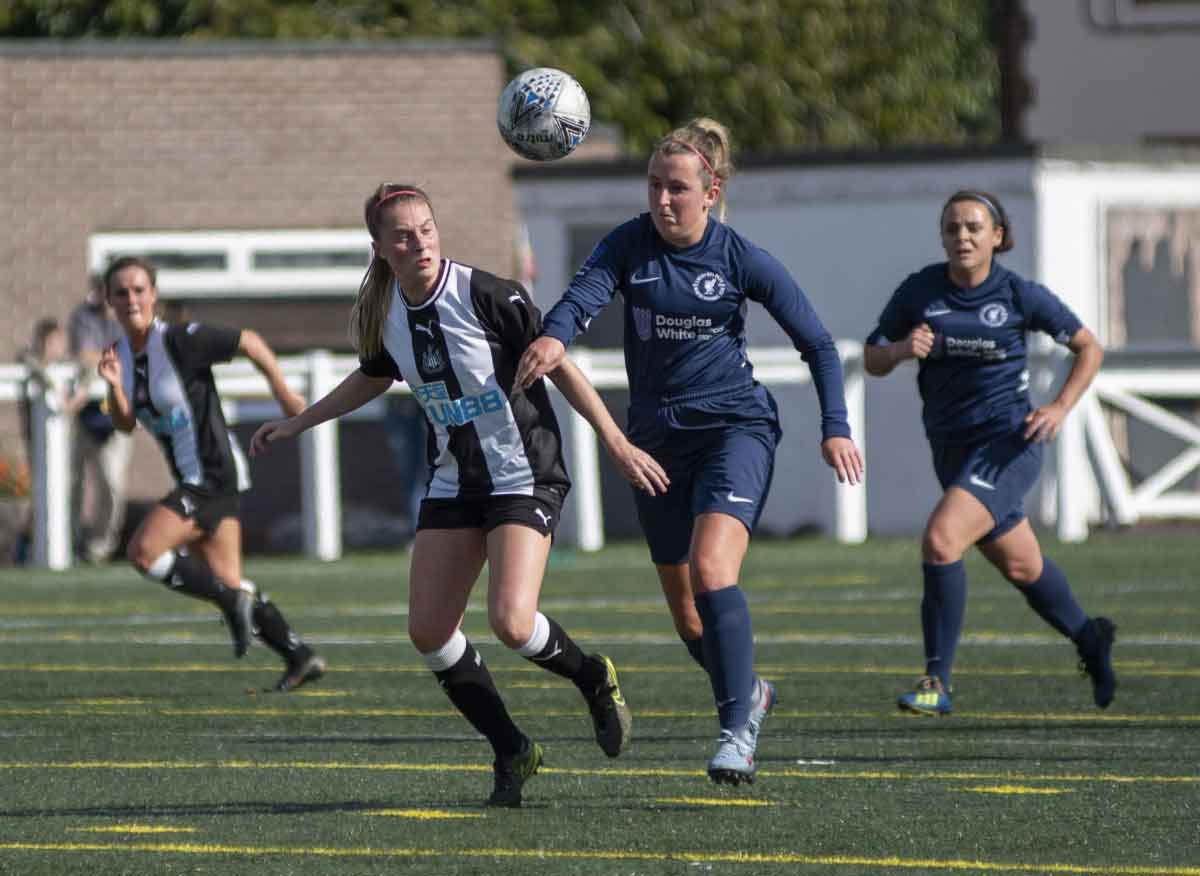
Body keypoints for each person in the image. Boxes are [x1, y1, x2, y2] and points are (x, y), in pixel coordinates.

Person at [250, 183, 668, 808]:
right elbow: (373, 374)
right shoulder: (384, 310)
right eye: (402, 234)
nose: (418, 241)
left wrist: (615, 439)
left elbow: (557, 362)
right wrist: (298, 421)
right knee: (428, 631)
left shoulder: (486, 294)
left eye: (426, 228)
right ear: (380, 248)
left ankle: (592, 676)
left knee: (511, 622)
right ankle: (511, 749)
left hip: (524, 472)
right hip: (454, 480)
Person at [514, 118, 864, 786]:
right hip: (655, 443)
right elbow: (580, 299)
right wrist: (556, 336)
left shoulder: (740, 258)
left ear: (711, 190)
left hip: (735, 429)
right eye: (654, 185)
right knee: (685, 613)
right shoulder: (629, 244)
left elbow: (817, 343)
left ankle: (736, 729)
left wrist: (836, 425)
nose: (663, 200)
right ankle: (749, 690)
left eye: (677, 188)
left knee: (711, 569)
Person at [862, 189, 1116, 716]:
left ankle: (936, 681)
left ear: (997, 237)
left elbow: (1089, 347)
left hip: (1008, 445)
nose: (963, 237)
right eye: (953, 228)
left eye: (974, 228)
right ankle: (1089, 637)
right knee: (1022, 566)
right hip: (950, 450)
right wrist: (902, 350)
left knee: (940, 540)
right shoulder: (920, 290)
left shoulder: (1019, 294)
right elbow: (872, 357)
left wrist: (1060, 407)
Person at [96, 256, 326, 693]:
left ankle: (230, 602)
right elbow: (125, 425)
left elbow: (250, 341)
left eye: (139, 289)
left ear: (155, 295)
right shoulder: (120, 355)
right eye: (121, 292)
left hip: (212, 475)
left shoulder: (181, 340)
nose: (131, 299)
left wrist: (282, 392)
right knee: (228, 579)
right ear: (108, 300)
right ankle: (299, 655)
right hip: (198, 479)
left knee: (144, 553)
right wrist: (112, 384)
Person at [68, 275, 133, 563]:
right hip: (82, 413)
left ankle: (101, 546)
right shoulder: (82, 317)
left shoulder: (129, 318)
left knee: (113, 481)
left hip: (115, 411)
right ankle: (69, 541)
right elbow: (84, 355)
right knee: (72, 481)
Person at [14, 319, 88, 564]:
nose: (57, 348)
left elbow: (87, 370)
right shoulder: (32, 364)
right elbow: (32, 366)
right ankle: (24, 550)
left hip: (67, 443)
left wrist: (81, 393)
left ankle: (69, 547)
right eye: (52, 342)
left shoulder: (67, 366)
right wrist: (55, 389)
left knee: (67, 493)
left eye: (59, 342)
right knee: (40, 496)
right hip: (37, 443)